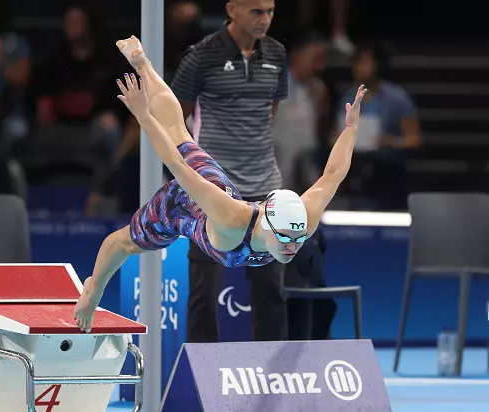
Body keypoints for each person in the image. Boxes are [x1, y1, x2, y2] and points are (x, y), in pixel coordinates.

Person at [73, 36, 367, 333]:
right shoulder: (231, 217)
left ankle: (144, 66)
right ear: (267, 223)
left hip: (213, 193)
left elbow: (334, 173)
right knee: (124, 240)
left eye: (298, 238)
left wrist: (352, 128)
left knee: (181, 135)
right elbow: (175, 163)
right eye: (287, 238)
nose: (293, 246)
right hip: (185, 206)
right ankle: (93, 289)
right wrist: (143, 115)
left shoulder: (302, 220)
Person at [169, 0, 291, 344]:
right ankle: (199, 378)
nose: (264, 19)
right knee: (204, 293)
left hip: (266, 188)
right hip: (214, 191)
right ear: (232, 9)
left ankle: (273, 377)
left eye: (269, 11)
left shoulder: (277, 54)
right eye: (256, 11)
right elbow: (175, 116)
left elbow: (270, 111)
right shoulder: (201, 55)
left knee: (270, 291)